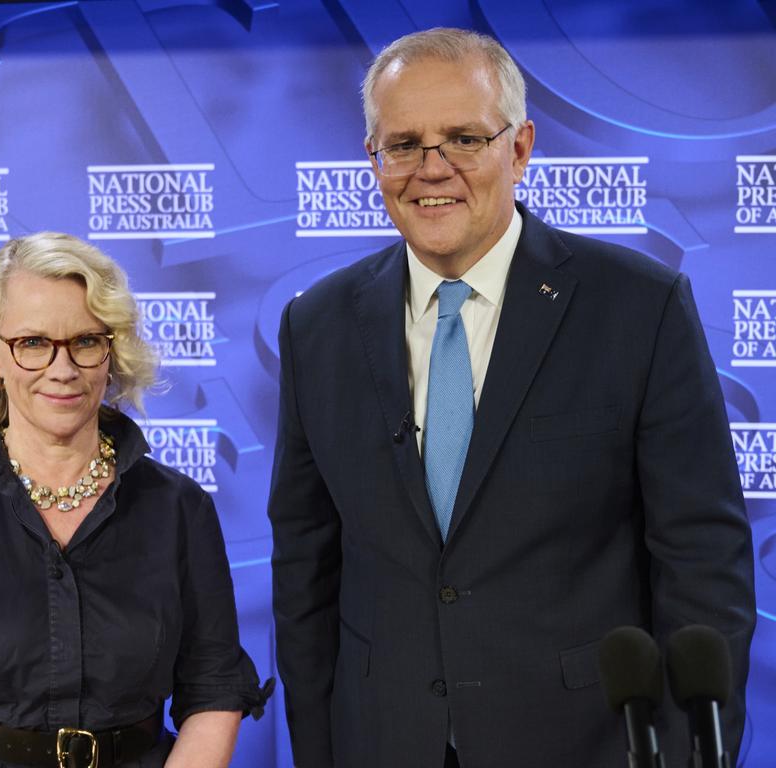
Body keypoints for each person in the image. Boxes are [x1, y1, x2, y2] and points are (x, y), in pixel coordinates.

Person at [268, 27, 755, 768]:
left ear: (520, 148)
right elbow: (305, 569)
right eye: (403, 145)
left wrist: (689, 752)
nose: (432, 170)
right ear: (373, 157)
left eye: (464, 138)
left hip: (586, 742)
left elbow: (702, 559)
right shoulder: (317, 324)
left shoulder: (638, 306)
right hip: (382, 740)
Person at [0, 232, 270, 767]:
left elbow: (213, 693)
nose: (62, 369)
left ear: (112, 353)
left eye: (85, 341)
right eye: (33, 343)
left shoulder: (178, 509)